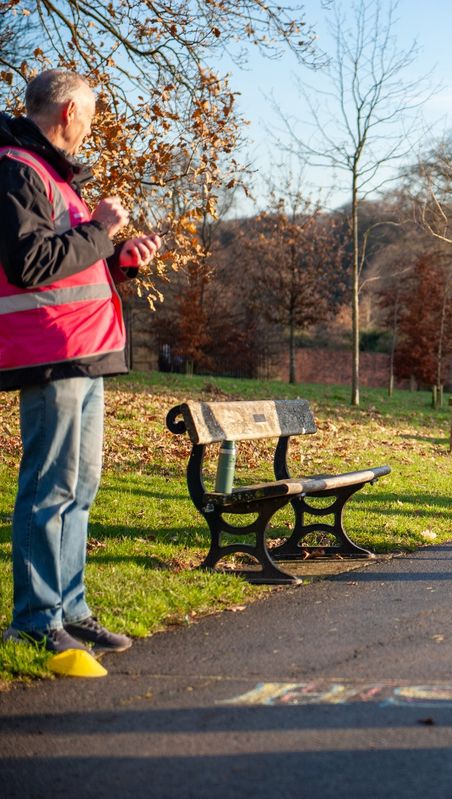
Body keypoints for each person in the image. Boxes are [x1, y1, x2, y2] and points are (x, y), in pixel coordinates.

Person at [1, 70, 161, 653]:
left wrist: (117, 259)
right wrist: (99, 228)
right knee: (50, 488)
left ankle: (71, 608)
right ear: (68, 112)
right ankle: (36, 619)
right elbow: (30, 265)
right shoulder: (18, 169)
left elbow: (68, 263)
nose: (91, 127)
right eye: (90, 115)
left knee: (80, 486)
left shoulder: (51, 176)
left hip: (83, 352)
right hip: (52, 352)